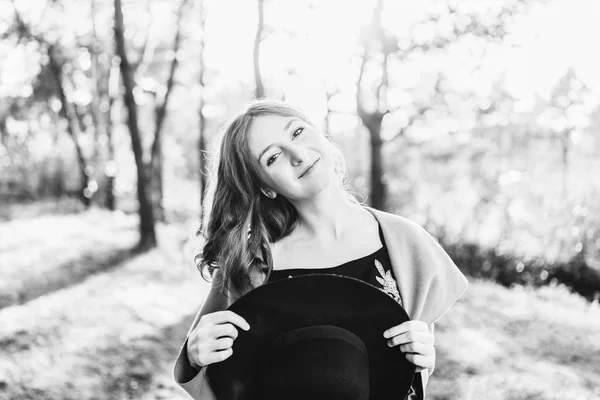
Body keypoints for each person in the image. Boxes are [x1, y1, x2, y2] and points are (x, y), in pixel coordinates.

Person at [173, 100, 468, 399]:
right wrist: (196, 356)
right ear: (265, 188)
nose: (298, 155)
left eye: (298, 132)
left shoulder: (404, 241)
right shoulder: (252, 264)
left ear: (321, 135)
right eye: (273, 157)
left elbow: (409, 368)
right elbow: (224, 379)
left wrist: (423, 358)